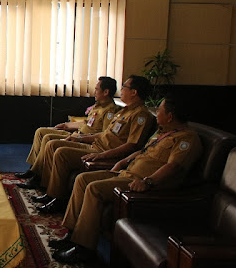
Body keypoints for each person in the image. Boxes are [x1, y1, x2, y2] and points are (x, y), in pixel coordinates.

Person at [51, 94, 202, 264]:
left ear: (170, 116)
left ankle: (84, 248)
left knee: (94, 188)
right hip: (126, 173)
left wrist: (147, 182)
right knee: (82, 179)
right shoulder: (163, 133)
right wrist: (122, 162)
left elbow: (173, 167)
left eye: (159, 110)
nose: (156, 113)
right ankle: (72, 235)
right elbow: (143, 151)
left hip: (141, 182)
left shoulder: (187, 139)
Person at [33, 75, 155, 214]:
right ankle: (49, 191)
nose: (121, 90)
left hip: (105, 152)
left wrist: (103, 155)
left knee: (61, 152)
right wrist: (80, 138)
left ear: (134, 92)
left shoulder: (141, 115)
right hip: (96, 145)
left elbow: (132, 145)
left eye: (124, 87)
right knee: (55, 144)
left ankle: (57, 198)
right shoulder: (124, 111)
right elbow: (104, 134)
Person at [17, 76, 120, 189]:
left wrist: (81, 137)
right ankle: (33, 168)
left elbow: (104, 134)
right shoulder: (98, 106)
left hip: (85, 138)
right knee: (41, 131)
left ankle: (37, 175)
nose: (94, 92)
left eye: (97, 89)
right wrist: (66, 125)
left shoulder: (110, 111)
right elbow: (86, 123)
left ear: (106, 92)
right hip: (77, 133)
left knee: (48, 139)